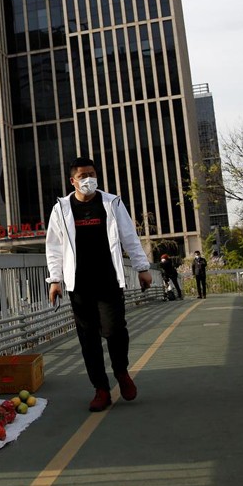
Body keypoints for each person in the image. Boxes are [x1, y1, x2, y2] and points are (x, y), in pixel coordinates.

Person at [45, 157, 152, 412]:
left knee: (115, 330)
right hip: (78, 284)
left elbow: (129, 236)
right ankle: (101, 389)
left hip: (108, 279)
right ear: (72, 181)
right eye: (82, 176)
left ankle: (121, 372)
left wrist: (143, 268)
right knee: (88, 338)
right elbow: (54, 247)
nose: (87, 179)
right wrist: (55, 280)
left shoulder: (111, 202)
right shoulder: (61, 208)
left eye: (91, 174)